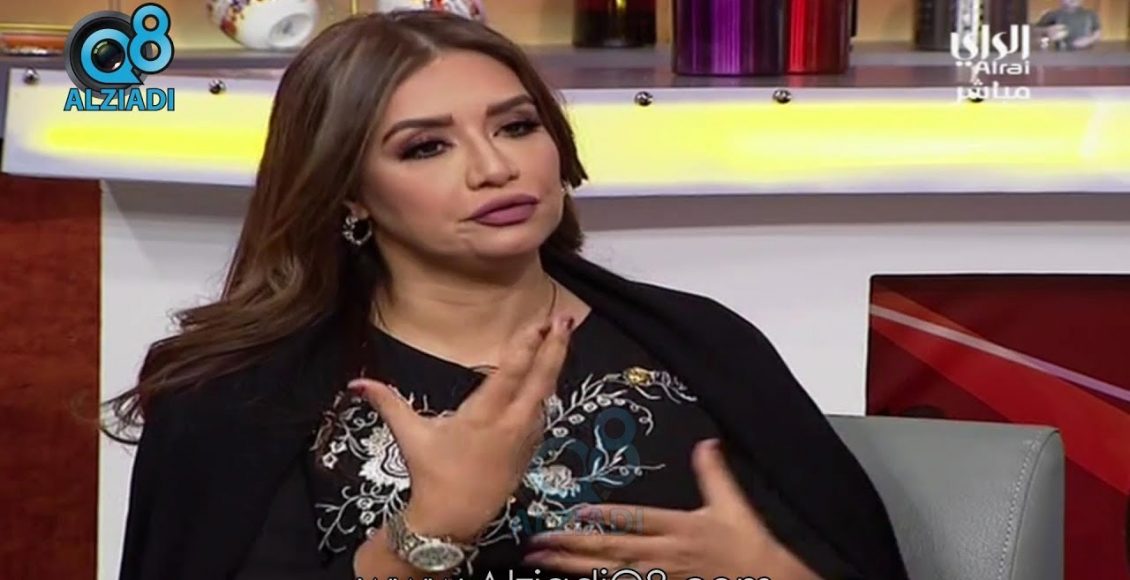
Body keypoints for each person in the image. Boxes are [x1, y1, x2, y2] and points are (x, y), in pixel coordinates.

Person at [105, 10, 910, 580]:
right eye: (426, 147)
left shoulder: (702, 347)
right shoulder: (238, 395)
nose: (495, 167)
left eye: (517, 127)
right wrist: (428, 531)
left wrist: (766, 571)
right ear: (347, 193)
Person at [1035, 0, 1101, 51]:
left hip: (1086, 54)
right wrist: (1047, 31)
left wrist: (1087, 41)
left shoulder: (1090, 14)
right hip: (1060, 54)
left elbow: (1097, 34)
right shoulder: (1052, 14)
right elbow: (1035, 30)